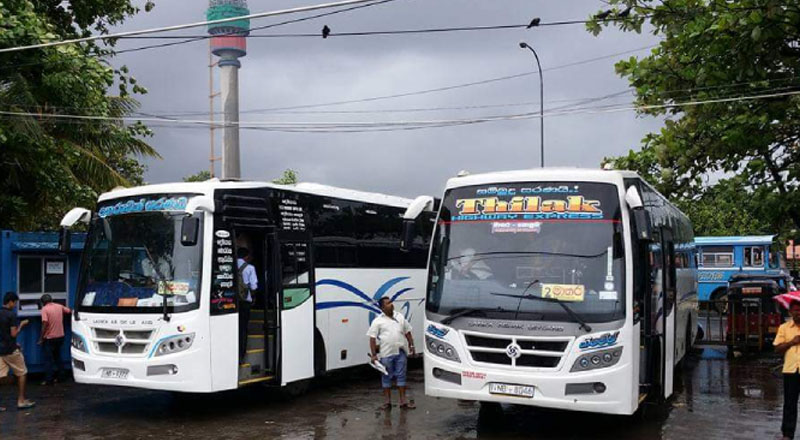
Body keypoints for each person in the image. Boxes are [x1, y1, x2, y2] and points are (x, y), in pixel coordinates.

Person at [367, 297, 415, 410]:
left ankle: (403, 402)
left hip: (401, 352)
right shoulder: (378, 321)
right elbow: (372, 338)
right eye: (388, 303)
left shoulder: (400, 316)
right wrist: (374, 355)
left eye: (391, 302)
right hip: (386, 354)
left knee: (401, 377)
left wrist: (411, 345)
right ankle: (387, 403)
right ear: (383, 308)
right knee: (386, 377)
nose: (391, 304)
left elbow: (407, 332)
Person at [0, 292, 35, 411]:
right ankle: (21, 400)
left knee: (1, 376)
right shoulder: (11, 315)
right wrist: (21, 325)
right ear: (10, 302)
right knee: (22, 372)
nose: (15, 305)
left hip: (1, 349)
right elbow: (13, 333)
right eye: (14, 303)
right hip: (10, 350)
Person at [775, 300, 800, 440]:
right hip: (790, 371)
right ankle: (787, 434)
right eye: (795, 310)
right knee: (790, 403)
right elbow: (777, 349)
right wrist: (792, 342)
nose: (798, 313)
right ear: (790, 312)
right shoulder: (784, 328)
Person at [38, 294, 71, 385]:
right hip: (60, 336)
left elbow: (45, 323)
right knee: (58, 357)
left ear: (43, 302)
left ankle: (49, 379)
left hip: (49, 338)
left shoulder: (45, 309)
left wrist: (41, 338)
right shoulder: (59, 306)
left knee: (48, 359)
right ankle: (61, 376)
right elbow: (69, 311)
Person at [237, 248, 257, 361]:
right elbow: (254, 287)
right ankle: (241, 355)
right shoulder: (250, 268)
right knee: (243, 328)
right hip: (244, 302)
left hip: (231, 301)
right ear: (246, 257)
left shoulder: (229, 266)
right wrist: (253, 297)